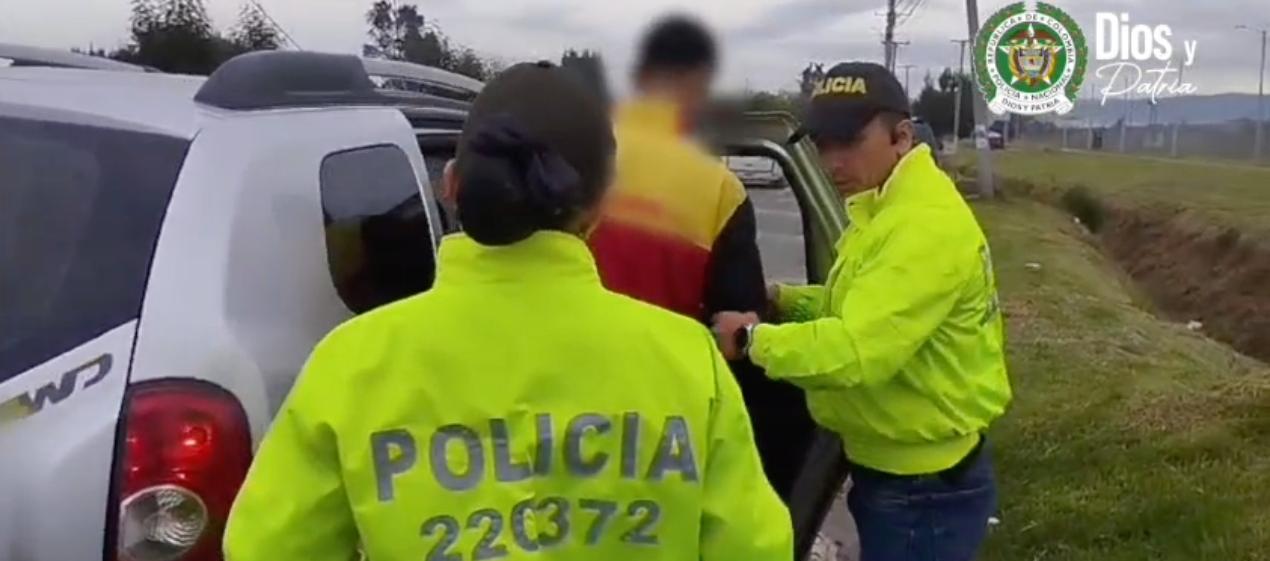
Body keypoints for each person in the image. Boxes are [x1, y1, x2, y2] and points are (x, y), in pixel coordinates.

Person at [223, 62, 792, 561]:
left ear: (451, 185)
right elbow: (755, 548)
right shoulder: (688, 363)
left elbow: (265, 547)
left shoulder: (350, 364)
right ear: (599, 208)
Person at [712, 61, 1013, 561]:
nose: (833, 162)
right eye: (824, 145)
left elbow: (854, 351)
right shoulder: (886, 209)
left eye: (850, 142)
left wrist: (751, 340)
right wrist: (785, 299)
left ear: (900, 135)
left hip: (923, 491)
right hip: (908, 475)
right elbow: (858, 308)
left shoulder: (922, 229)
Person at [587, 13, 815, 500]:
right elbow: (738, 327)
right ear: (698, 83)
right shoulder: (716, 188)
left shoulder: (572, 158)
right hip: (664, 430)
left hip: (556, 417)